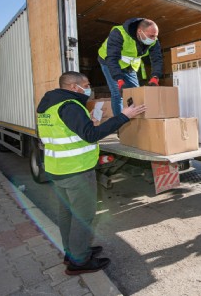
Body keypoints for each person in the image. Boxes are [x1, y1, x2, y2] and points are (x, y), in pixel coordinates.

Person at [36, 71, 146, 275]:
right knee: (83, 215)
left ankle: (73, 251)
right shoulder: (69, 105)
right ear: (72, 87)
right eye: (85, 84)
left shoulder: (49, 106)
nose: (88, 88)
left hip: (57, 168)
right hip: (75, 170)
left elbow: (64, 133)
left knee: (67, 213)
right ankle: (79, 261)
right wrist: (124, 116)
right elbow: (91, 135)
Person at [98, 18, 164, 116]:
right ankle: (119, 123)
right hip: (109, 62)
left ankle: (135, 121)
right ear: (140, 31)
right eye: (151, 36)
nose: (154, 39)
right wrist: (119, 80)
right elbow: (112, 58)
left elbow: (157, 59)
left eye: (155, 36)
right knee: (118, 94)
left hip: (130, 66)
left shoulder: (153, 40)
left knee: (135, 93)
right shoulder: (119, 33)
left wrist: (155, 77)